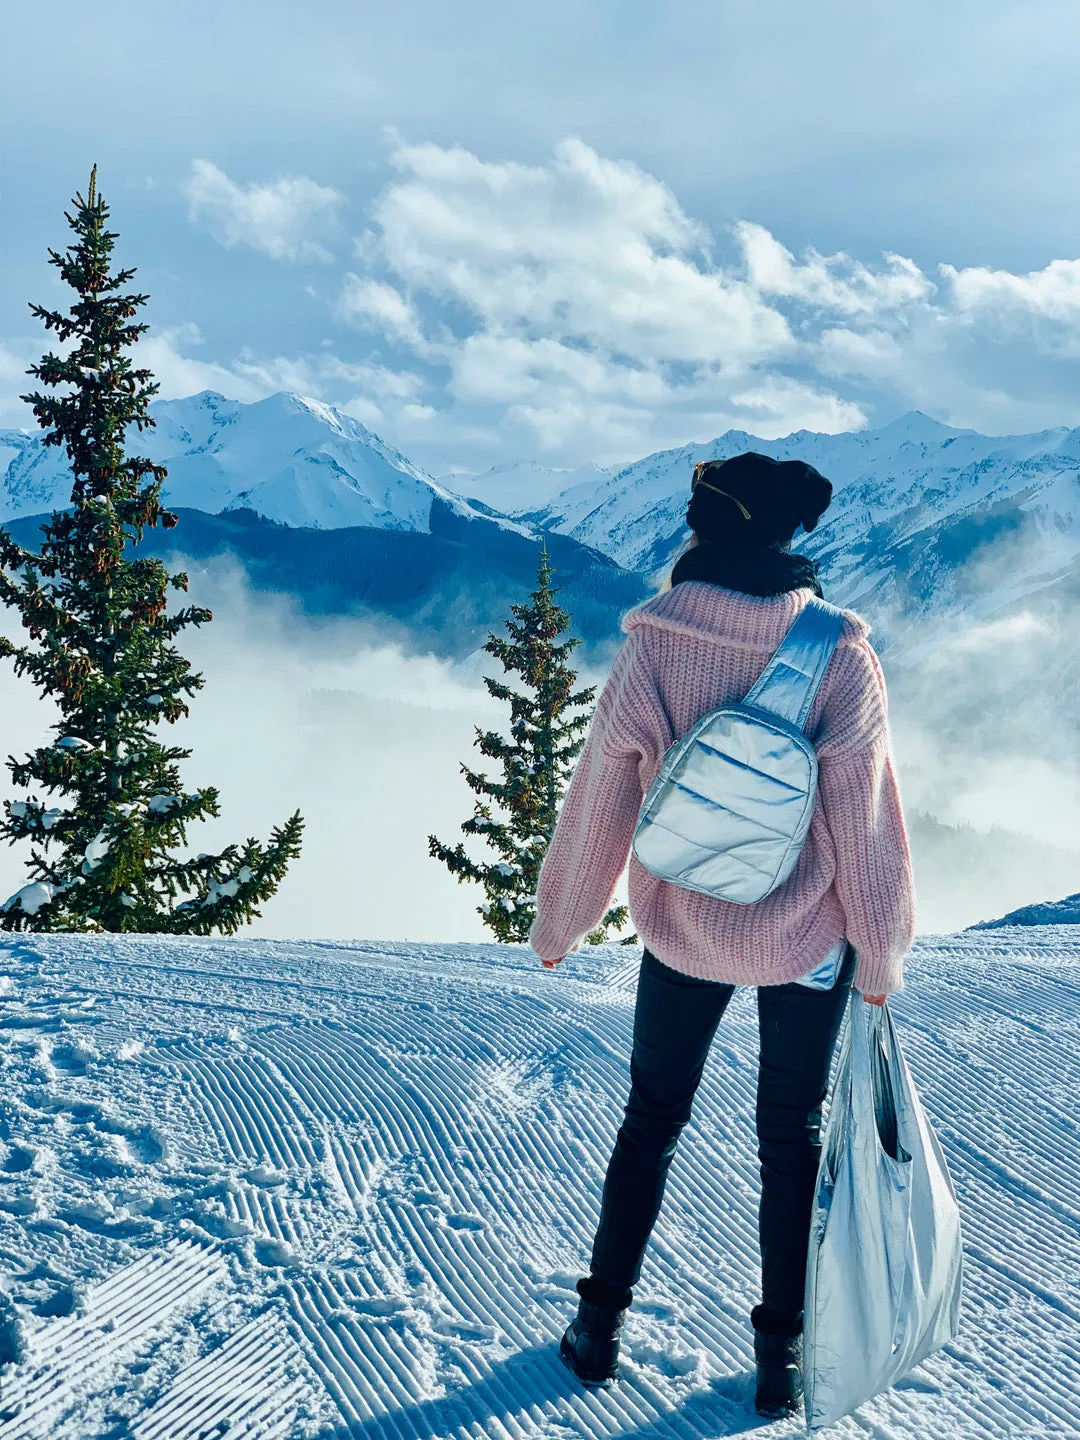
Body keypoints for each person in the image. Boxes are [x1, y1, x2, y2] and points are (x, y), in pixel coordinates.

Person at [528, 452, 915, 1418]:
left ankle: (598, 1327)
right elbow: (863, 819)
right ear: (789, 537)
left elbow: (603, 795)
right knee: (791, 1139)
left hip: (685, 923)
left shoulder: (656, 642)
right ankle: (779, 1361)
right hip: (807, 936)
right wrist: (881, 948)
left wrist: (564, 916)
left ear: (705, 530)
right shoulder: (840, 651)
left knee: (652, 1119)